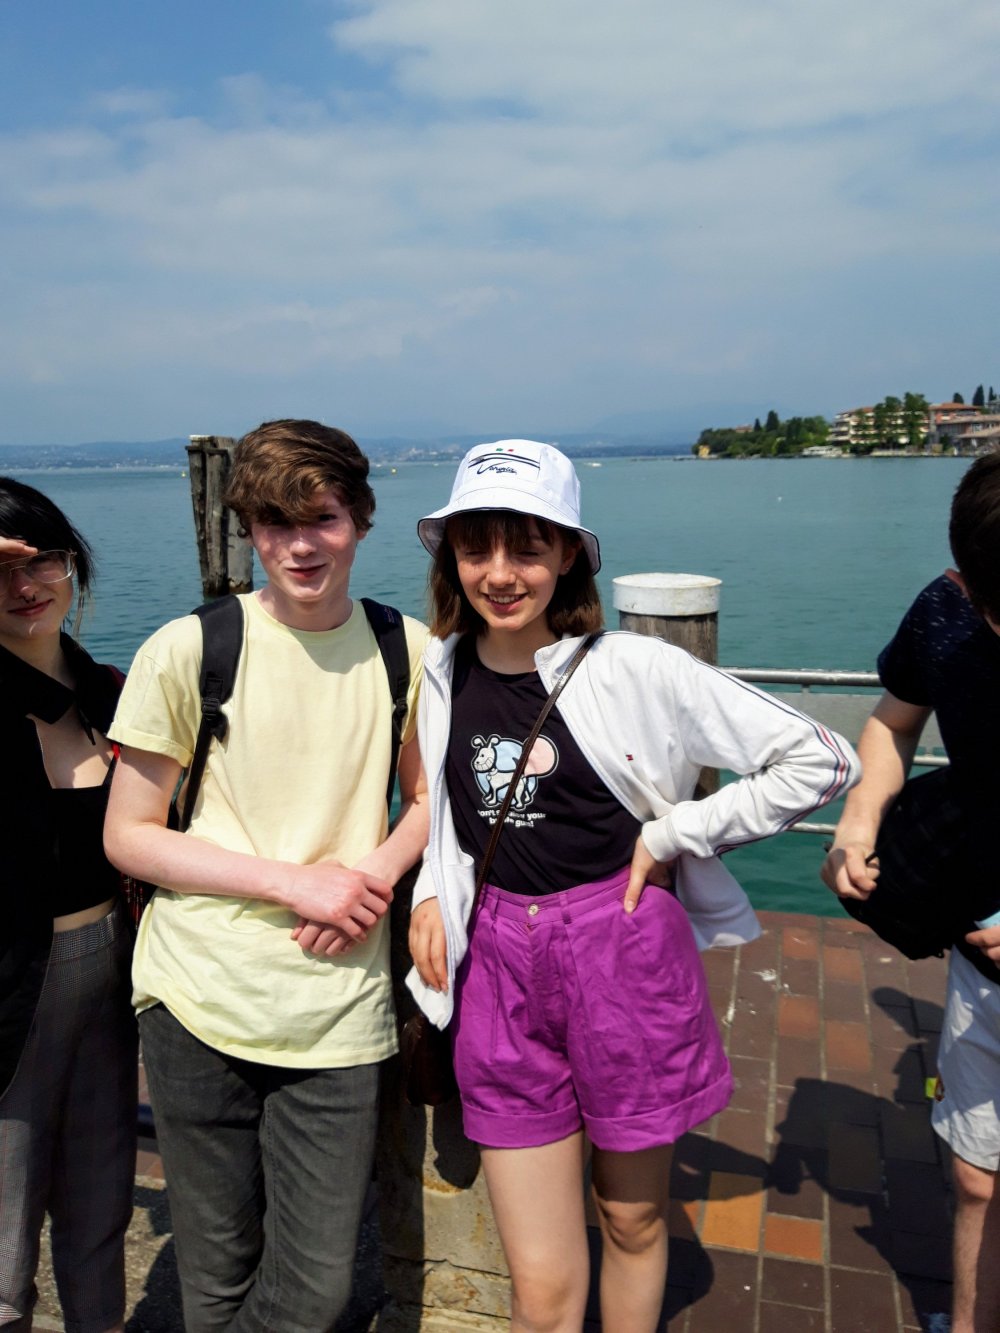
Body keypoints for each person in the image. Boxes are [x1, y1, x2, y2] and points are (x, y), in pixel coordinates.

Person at [408, 440, 860, 1333]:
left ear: (570, 553)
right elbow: (446, 810)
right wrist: (430, 889)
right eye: (475, 546)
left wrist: (673, 833)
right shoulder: (442, 668)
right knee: (541, 1287)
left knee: (631, 1216)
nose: (499, 573)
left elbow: (820, 757)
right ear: (450, 555)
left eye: (528, 546)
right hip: (494, 960)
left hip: (617, 947)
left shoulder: (631, 668)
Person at [103, 420, 428, 1333]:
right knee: (215, 1275)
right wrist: (294, 883)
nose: (299, 545)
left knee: (317, 1286)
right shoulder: (189, 648)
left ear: (361, 519)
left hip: (338, 1008)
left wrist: (369, 872)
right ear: (247, 528)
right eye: (275, 522)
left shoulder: (407, 650)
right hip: (196, 993)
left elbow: (426, 799)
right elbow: (128, 833)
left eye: (322, 518)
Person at [822, 452, 1000, 1333]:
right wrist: (858, 820)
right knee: (975, 1174)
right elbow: (894, 721)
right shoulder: (944, 613)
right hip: (984, 956)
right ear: (965, 582)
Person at [0, 479, 137, 1333]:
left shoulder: (112, 691)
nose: (24, 585)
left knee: (99, 1210)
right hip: (11, 987)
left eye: (41, 559)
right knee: (2, 1237)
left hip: (112, 973)